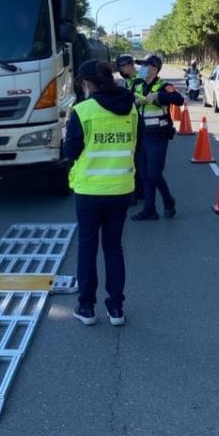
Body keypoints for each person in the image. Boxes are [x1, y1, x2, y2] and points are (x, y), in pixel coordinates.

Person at [64, 60, 138, 326]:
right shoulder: (130, 108)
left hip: (90, 191)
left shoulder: (82, 111)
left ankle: (86, 308)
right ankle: (116, 308)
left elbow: (70, 151)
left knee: (87, 248)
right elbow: (135, 144)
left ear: (89, 83)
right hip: (121, 189)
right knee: (113, 247)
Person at [131, 54, 184, 221]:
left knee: (154, 173)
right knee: (144, 175)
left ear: (154, 68)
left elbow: (179, 100)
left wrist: (159, 97)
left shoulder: (164, 86)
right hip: (141, 136)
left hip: (158, 136)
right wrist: (136, 103)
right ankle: (150, 210)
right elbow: (128, 104)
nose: (141, 69)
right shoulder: (137, 86)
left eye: (144, 66)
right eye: (141, 66)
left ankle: (168, 201)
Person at [115, 53, 145, 202]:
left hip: (139, 122)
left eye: (121, 67)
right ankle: (138, 191)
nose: (120, 70)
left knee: (135, 160)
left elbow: (140, 98)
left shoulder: (139, 79)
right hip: (132, 122)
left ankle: (136, 192)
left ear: (128, 65)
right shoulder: (128, 80)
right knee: (134, 159)